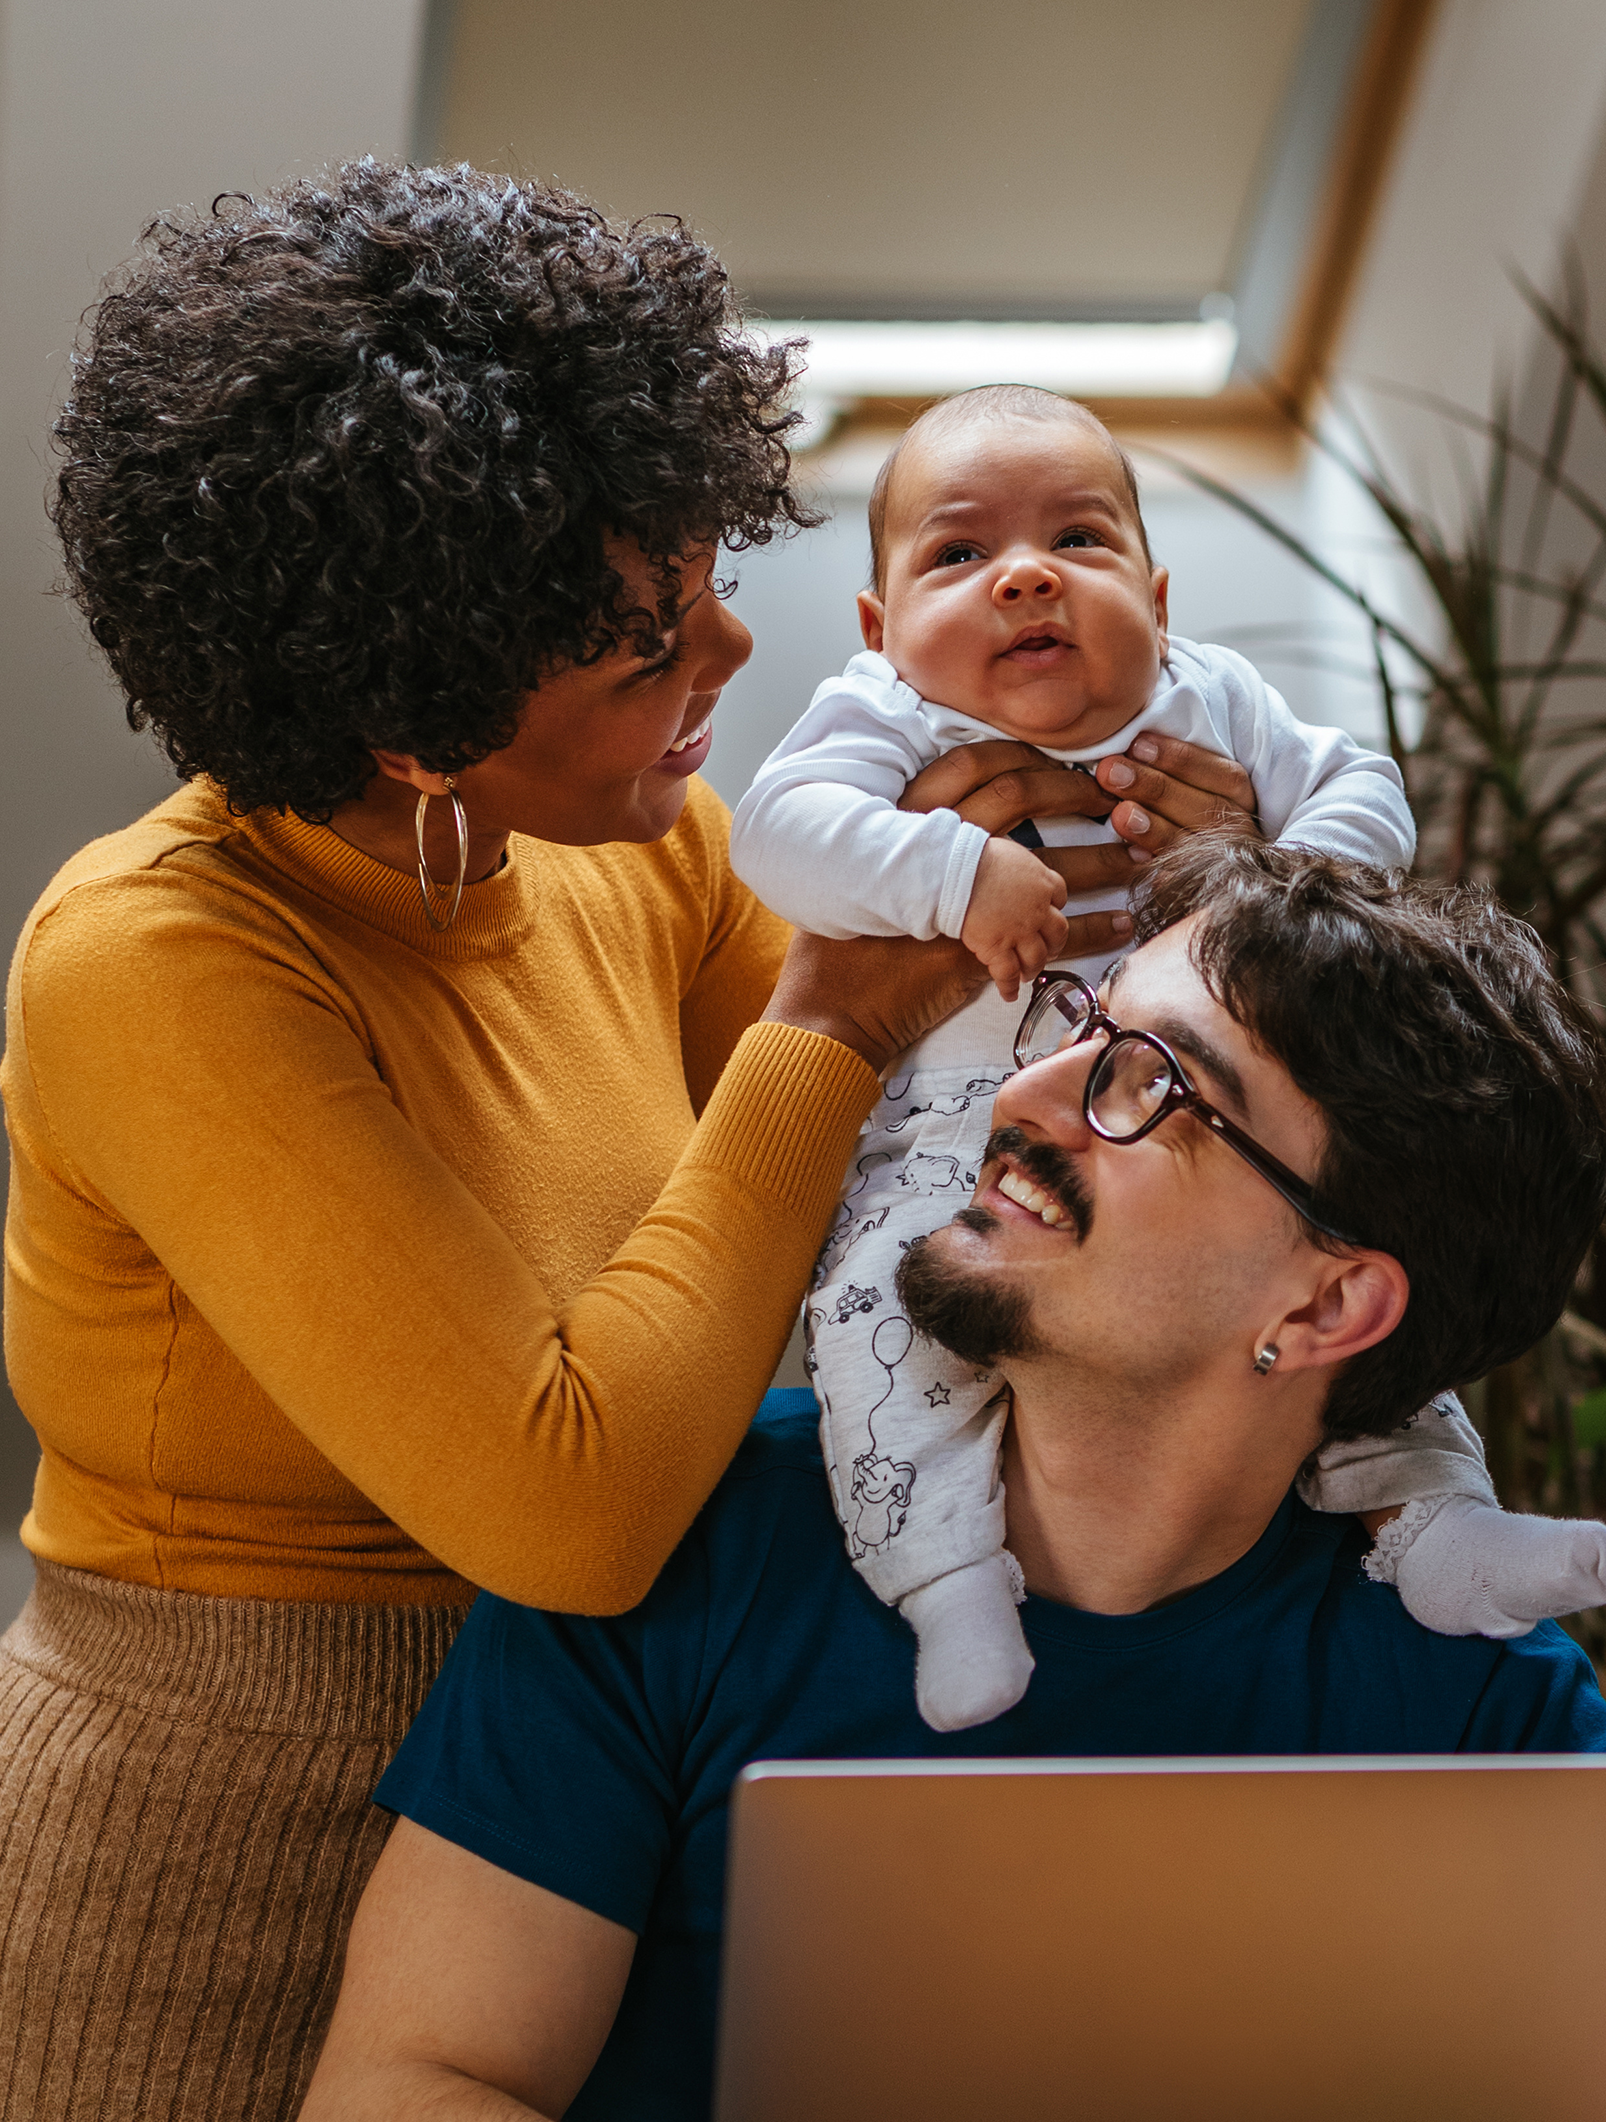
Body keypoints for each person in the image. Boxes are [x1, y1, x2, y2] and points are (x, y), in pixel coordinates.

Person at [0, 164, 1258, 2122]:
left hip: (564, 1834)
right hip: (213, 1877)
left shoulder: (633, 836)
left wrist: (1176, 904)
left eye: (700, 585)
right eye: (646, 658)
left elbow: (916, 1188)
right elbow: (569, 1509)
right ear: (410, 739)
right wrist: (828, 1015)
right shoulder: (157, 963)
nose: (729, 666)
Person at [303, 838, 1606, 2122]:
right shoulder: (692, 1546)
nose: (1022, 1097)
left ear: (1326, 1302)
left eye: (1143, 1085)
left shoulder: (1493, 1718)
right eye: (1075, 1021)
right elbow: (411, 2081)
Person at [728, 385, 1606, 1732]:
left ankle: (1440, 1530)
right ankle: (946, 1578)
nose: (1023, 574)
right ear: (879, 627)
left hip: (1144, 1108)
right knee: (869, 1326)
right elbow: (778, 831)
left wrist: (1276, 887)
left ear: (1154, 587)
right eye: (956, 555)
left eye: (1077, 540)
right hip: (948, 1126)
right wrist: (951, 868)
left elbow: (1359, 786)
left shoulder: (1212, 700)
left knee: (1342, 1276)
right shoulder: (885, 717)